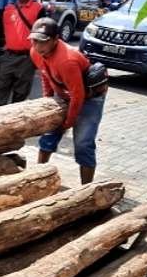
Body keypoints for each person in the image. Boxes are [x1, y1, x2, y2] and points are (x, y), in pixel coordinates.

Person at [28, 17, 107, 185]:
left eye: (43, 42)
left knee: (83, 144)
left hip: (88, 99)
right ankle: (35, 179)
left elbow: (78, 96)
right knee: (48, 135)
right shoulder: (35, 52)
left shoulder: (67, 61)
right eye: (34, 41)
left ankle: (86, 189)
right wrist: (47, 100)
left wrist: (68, 122)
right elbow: (45, 74)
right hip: (64, 94)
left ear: (56, 39)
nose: (37, 46)